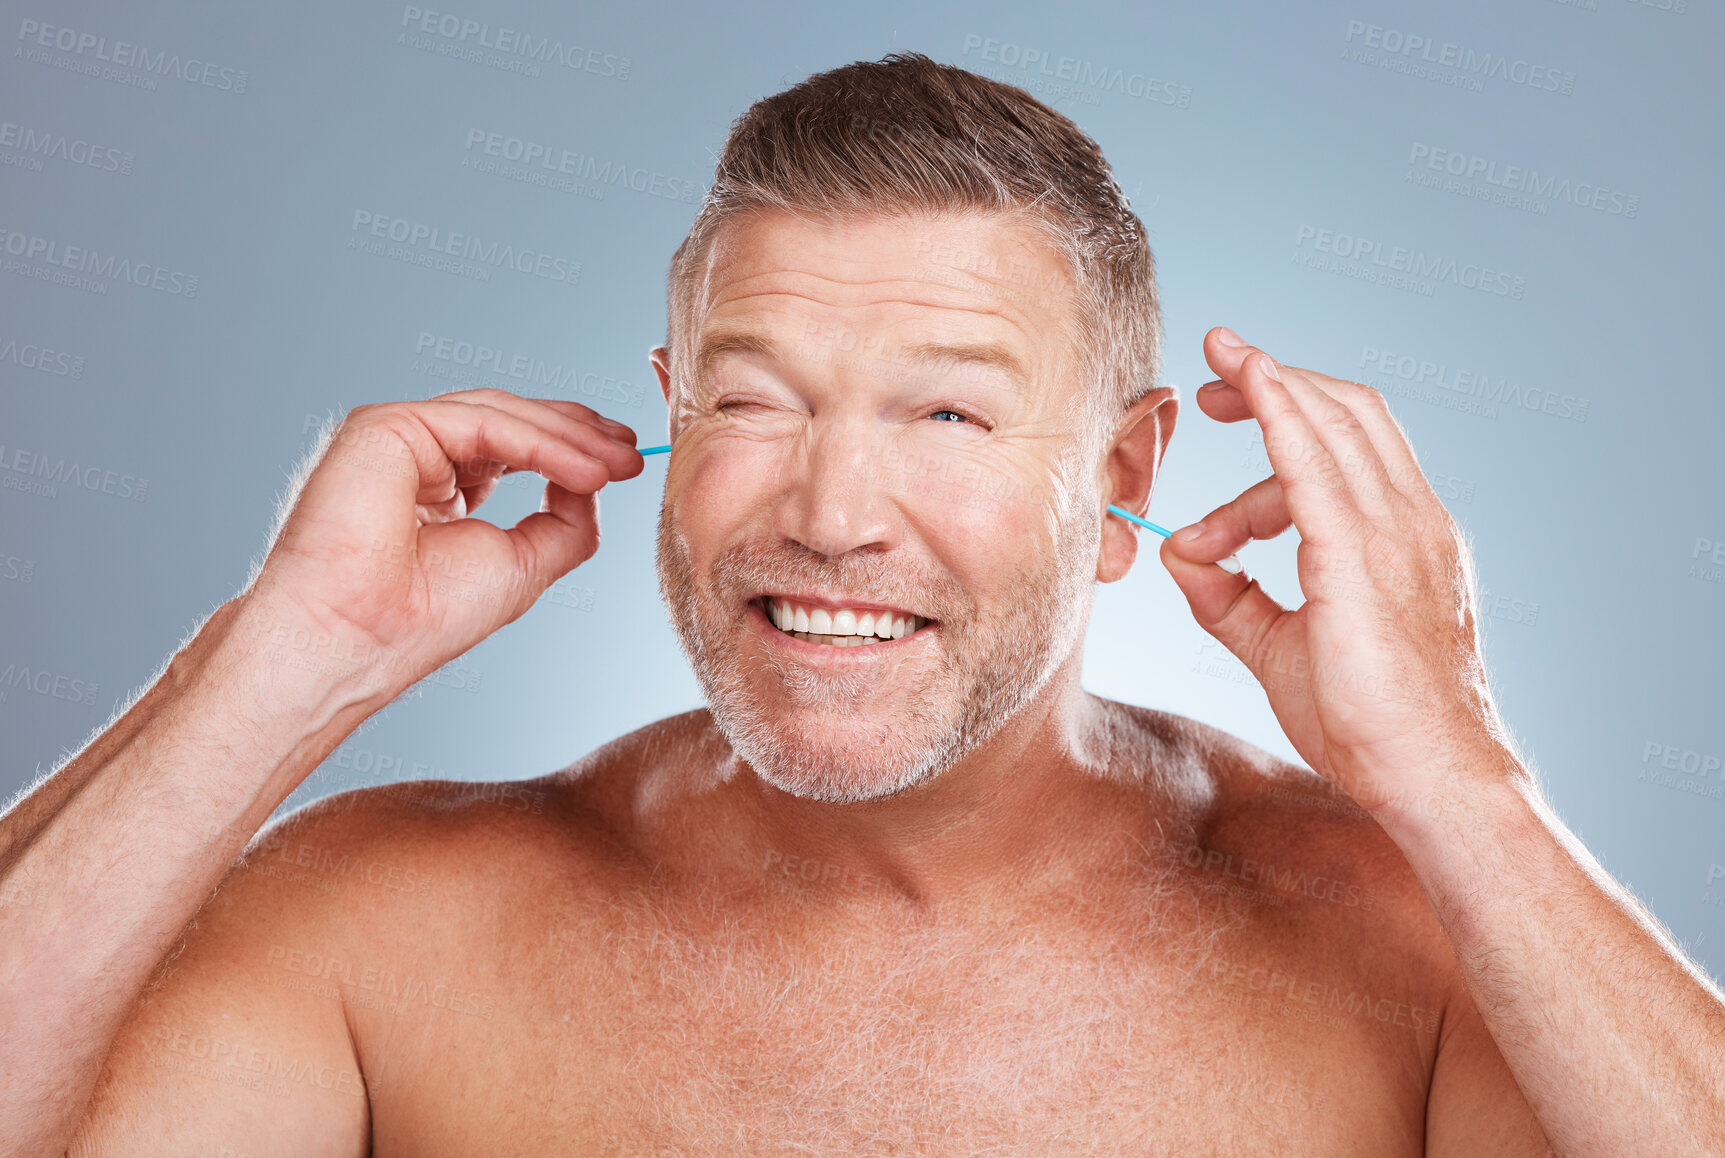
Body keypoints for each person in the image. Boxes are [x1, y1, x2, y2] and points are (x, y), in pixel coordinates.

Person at [4, 52, 1721, 1157]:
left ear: (1120, 477)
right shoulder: (386, 929)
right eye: (753, 402)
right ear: (670, 416)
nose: (827, 514)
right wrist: (270, 669)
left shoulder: (1408, 947)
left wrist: (1456, 777)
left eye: (950, 413)